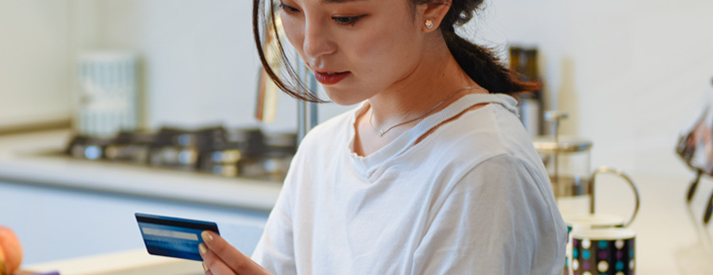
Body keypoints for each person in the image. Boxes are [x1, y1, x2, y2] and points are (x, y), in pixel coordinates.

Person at [197, 0, 567, 274]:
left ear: (434, 6)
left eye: (346, 18)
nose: (312, 46)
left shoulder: (483, 168)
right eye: (291, 9)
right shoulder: (321, 151)